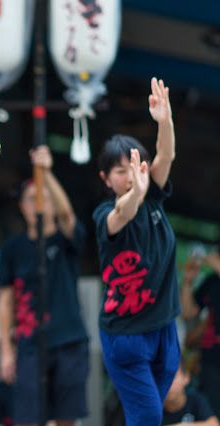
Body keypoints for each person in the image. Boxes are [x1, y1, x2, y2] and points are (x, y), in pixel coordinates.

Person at [93, 77, 180, 426]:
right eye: (120, 171)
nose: (130, 175)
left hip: (164, 329)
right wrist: (136, 192)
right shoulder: (107, 215)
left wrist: (165, 121)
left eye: (136, 166)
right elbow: (122, 214)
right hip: (126, 335)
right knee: (147, 416)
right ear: (105, 179)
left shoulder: (153, 195)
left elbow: (167, 153)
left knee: (147, 416)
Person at [0, 145, 89, 426]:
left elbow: (68, 215)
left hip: (69, 340)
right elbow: (5, 300)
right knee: (27, 416)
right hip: (29, 343)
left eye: (45, 198)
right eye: (33, 198)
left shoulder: (65, 239)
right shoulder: (13, 248)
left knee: (66, 417)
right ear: (22, 204)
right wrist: (6, 351)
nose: (40, 203)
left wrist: (46, 174)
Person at [181, 250, 220, 417]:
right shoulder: (212, 280)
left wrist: (214, 263)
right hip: (211, 359)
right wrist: (188, 281)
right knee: (213, 413)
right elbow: (188, 312)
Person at [162, 360, 219, 426]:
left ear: (186, 377)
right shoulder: (154, 407)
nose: (167, 383)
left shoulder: (196, 400)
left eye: (173, 377)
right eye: (161, 378)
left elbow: (214, 424)